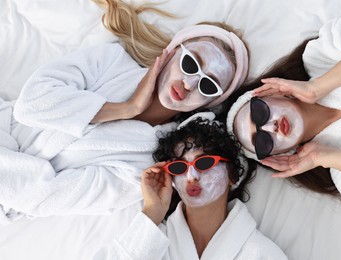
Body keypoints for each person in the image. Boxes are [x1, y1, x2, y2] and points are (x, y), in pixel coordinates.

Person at [0, 0, 249, 226]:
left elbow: (44, 195)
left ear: (209, 104)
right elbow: (30, 104)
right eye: (190, 63)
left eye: (208, 85)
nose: (189, 83)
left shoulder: (146, 167)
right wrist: (126, 108)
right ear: (172, 52)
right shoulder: (112, 60)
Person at [226, 0, 341, 215]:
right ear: (281, 154)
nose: (270, 127)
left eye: (259, 113)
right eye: (263, 141)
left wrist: (318, 87)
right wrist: (320, 157)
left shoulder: (319, 58)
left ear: (272, 92)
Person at [93, 114, 287, 259]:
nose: (191, 176)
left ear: (231, 175)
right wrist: (152, 212)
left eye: (204, 163)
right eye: (179, 167)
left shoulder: (262, 253)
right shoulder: (148, 243)